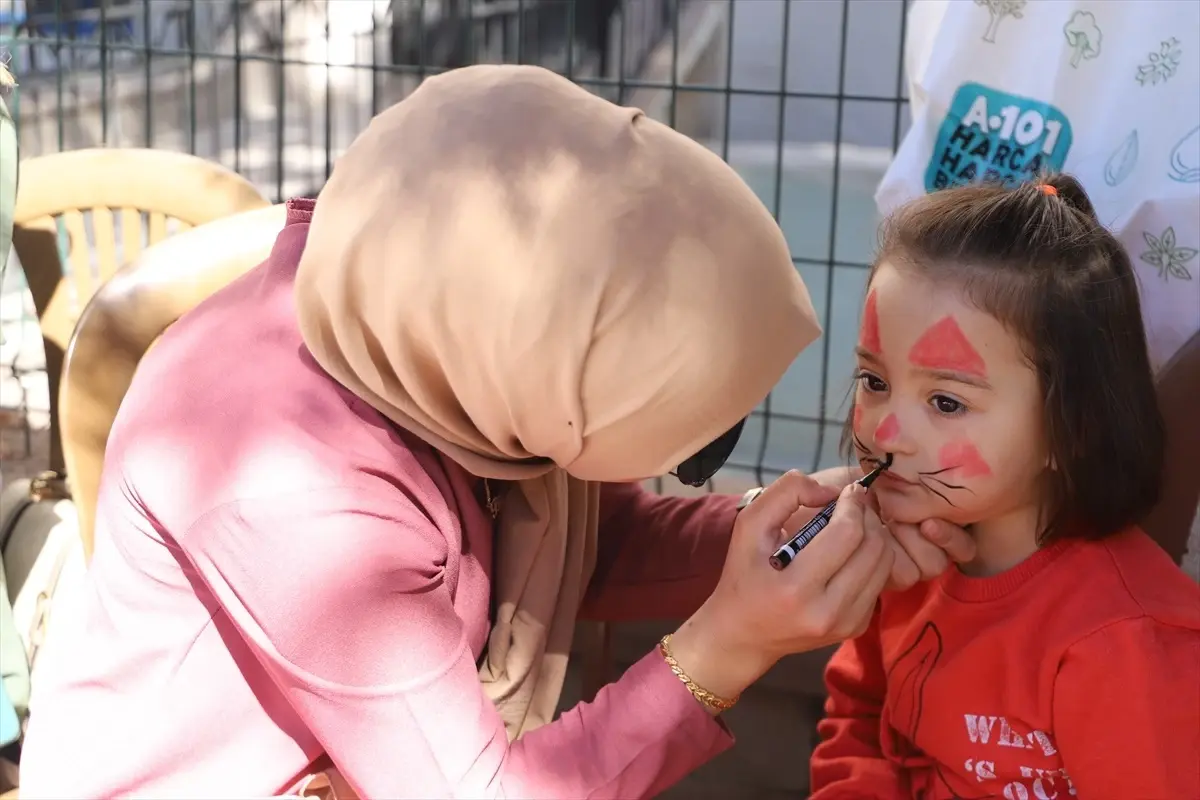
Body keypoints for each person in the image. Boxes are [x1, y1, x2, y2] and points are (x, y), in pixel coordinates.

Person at [18, 65, 975, 799]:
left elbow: (591, 541)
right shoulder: (297, 488)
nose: (696, 459)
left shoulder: (442, 324)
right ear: (556, 372)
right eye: (671, 420)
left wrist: (769, 533)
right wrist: (727, 645)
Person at [809, 174, 1200, 800]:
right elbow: (857, 720)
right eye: (874, 381)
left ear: (1071, 426)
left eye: (945, 400)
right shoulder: (901, 560)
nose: (887, 431)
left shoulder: (1126, 644)